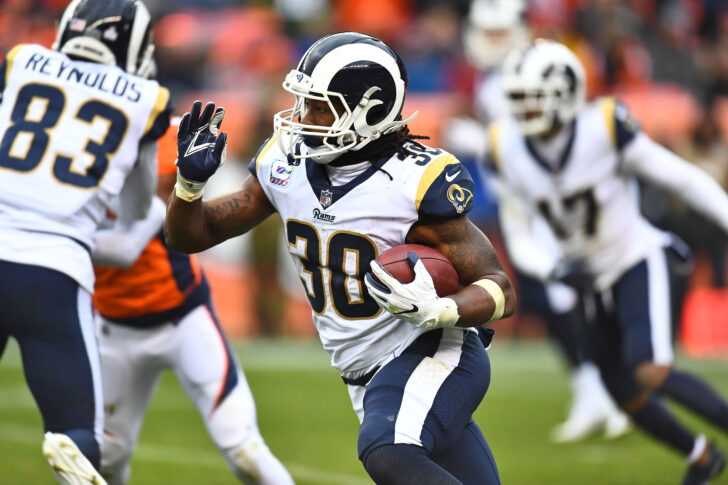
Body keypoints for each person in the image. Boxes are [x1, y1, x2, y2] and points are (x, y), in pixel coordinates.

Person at [165, 32, 517, 485]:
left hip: (429, 351)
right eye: (303, 103)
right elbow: (193, 234)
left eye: (319, 106)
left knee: (388, 451)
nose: (302, 118)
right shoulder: (286, 164)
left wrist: (439, 309)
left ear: (369, 112)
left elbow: (498, 288)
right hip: (364, 372)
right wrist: (189, 187)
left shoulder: (412, 181)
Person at [489, 38, 728, 484]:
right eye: (516, 98)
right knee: (621, 390)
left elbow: (682, 179)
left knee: (650, 369)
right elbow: (518, 234)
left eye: (530, 98)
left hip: (636, 259)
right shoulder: (507, 147)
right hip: (584, 277)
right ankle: (701, 457)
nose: (521, 109)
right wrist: (554, 269)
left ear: (563, 93)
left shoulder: (603, 126)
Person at [0, 0, 170, 484]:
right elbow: (137, 210)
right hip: (52, 270)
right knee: (76, 432)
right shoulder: (145, 98)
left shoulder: (22, 60)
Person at [444, 0, 629, 443]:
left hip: (554, 205)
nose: (493, 42)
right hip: (524, 204)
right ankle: (593, 388)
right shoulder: (496, 77)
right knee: (552, 301)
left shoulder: (534, 71)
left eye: (499, 32)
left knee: (577, 297)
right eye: (487, 33)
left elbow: (540, 139)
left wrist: (478, 141)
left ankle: (613, 389)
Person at [91, 119, 295, 485]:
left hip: (183, 316)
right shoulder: (54, 153)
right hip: (112, 325)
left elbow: (145, 230)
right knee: (106, 459)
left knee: (244, 450)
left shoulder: (163, 133)